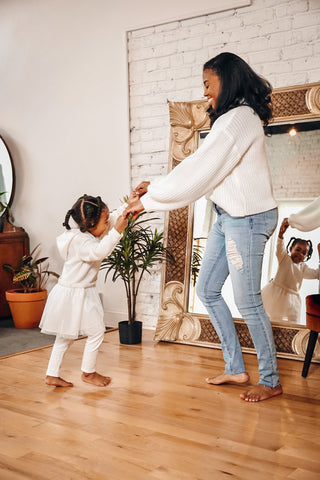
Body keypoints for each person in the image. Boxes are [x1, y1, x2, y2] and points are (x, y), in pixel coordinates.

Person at [126, 52, 282, 402]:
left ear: (227, 80)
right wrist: (156, 189)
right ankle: (236, 368)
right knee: (209, 289)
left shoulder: (240, 119)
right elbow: (197, 165)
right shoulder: (230, 120)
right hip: (229, 217)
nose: (205, 93)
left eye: (208, 85)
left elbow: (201, 171)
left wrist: (148, 201)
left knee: (248, 301)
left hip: (248, 218)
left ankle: (270, 379)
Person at [40, 194, 128, 387]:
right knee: (96, 331)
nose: (108, 225)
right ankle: (88, 373)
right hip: (75, 293)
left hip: (73, 292)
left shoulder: (81, 234)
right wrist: (117, 232)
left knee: (65, 336)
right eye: (104, 223)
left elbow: (112, 216)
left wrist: (129, 207)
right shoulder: (83, 243)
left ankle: (51, 374)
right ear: (91, 223)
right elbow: (99, 252)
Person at [262, 218, 320, 323]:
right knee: (271, 316)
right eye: (298, 249)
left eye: (304, 253)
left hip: (291, 300)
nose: (300, 254)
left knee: (291, 322)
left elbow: (316, 274)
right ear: (291, 249)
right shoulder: (284, 258)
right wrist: (280, 234)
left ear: (306, 256)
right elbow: (279, 247)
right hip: (275, 293)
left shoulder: (303, 268)